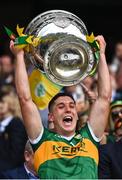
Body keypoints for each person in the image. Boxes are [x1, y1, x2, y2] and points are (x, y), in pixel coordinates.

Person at [10, 35, 111, 179]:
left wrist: (101, 54)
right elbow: (25, 99)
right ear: (51, 117)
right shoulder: (42, 140)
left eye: (72, 106)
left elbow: (104, 98)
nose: (68, 109)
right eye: (61, 106)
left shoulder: (89, 137)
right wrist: (19, 56)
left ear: (76, 115)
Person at [0, 89, 27, 172]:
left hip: (9, 172)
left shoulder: (17, 125)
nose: (0, 105)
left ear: (11, 104)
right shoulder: (3, 124)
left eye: (3, 102)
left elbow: (16, 154)